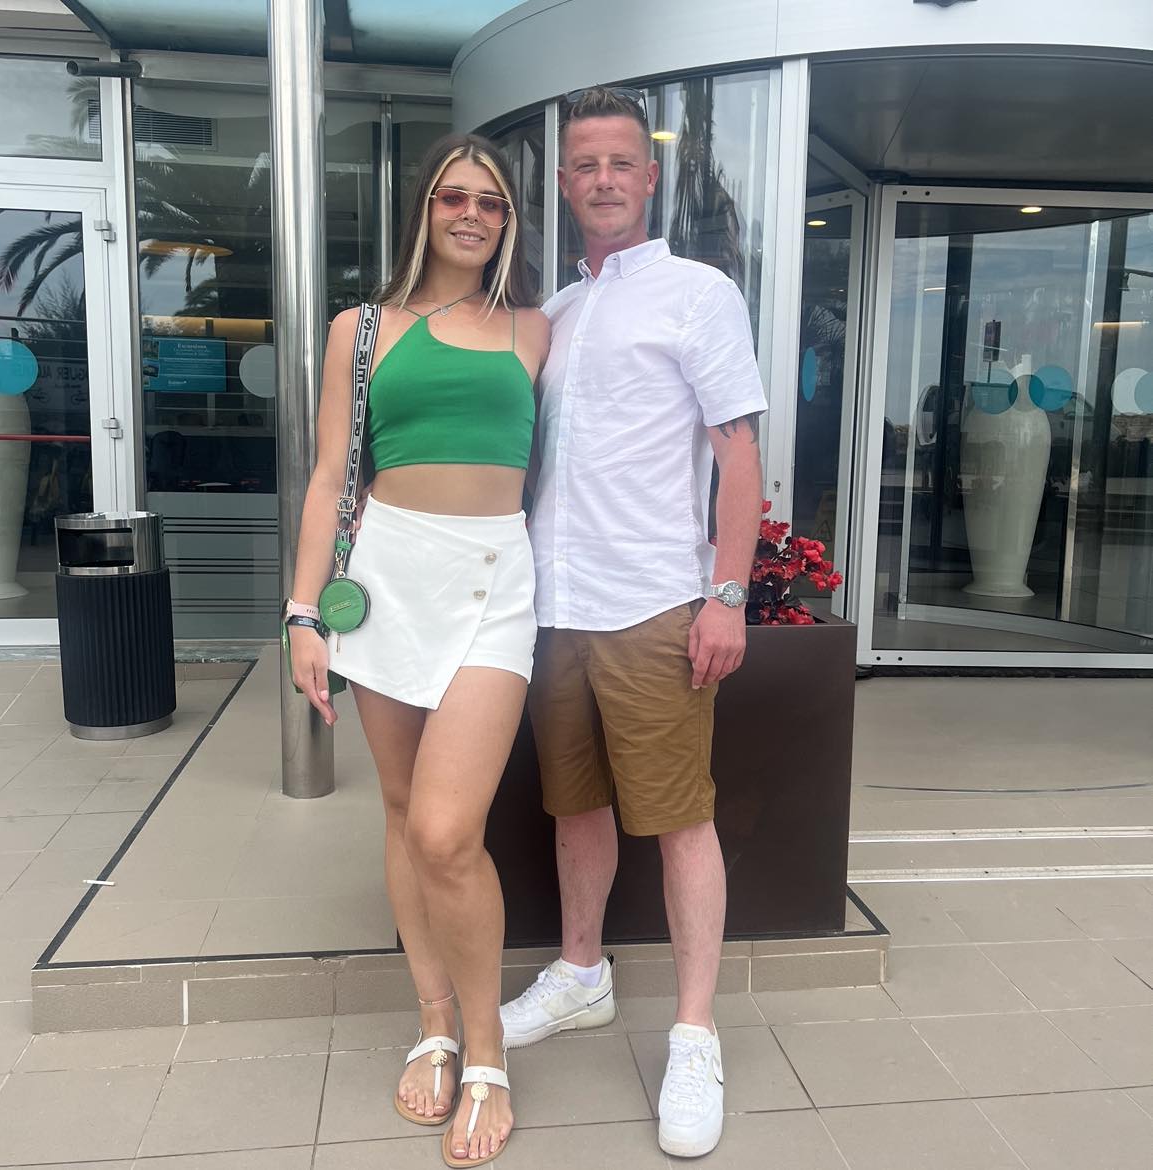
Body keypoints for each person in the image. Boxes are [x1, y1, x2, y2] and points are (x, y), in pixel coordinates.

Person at [500, 87, 766, 1159]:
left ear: (649, 178)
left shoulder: (699, 294)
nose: (603, 179)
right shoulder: (553, 314)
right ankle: (582, 973)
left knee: (680, 819)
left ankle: (695, 1035)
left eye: (620, 162)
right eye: (585, 165)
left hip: (655, 602)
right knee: (576, 807)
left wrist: (728, 594)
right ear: (564, 186)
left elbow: (739, 454)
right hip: (555, 605)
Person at [287, 132, 549, 1168]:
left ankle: (487, 1050)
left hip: (496, 587)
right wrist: (303, 614)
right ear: (425, 210)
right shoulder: (361, 329)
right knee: (402, 812)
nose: (472, 214)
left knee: (447, 829)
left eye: (491, 201)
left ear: (509, 219)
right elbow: (329, 478)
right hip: (388, 581)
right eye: (454, 197)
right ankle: (436, 1022)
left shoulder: (536, 329)